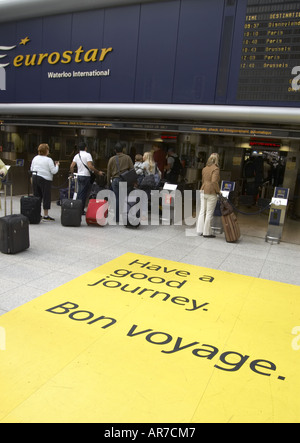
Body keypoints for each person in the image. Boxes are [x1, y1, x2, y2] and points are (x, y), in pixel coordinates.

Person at [70, 142, 104, 215]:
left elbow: (72, 166)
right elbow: (90, 166)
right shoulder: (88, 155)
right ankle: (81, 210)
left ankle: (77, 208)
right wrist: (98, 172)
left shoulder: (77, 155)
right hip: (86, 176)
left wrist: (72, 174)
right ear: (85, 148)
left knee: (79, 193)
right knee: (84, 194)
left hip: (79, 176)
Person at [30, 143, 59, 221]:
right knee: (46, 196)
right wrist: (57, 165)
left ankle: (37, 214)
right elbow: (53, 171)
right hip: (45, 179)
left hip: (35, 177)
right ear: (46, 151)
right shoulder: (48, 160)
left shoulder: (35, 158)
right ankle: (45, 215)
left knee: (37, 196)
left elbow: (32, 168)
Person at [107, 142, 134, 222]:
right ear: (122, 150)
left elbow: (109, 171)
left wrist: (108, 183)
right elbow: (132, 169)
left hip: (115, 180)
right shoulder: (128, 158)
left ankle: (117, 217)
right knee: (124, 198)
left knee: (117, 198)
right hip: (125, 180)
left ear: (115, 150)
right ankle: (126, 216)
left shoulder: (112, 159)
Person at [196, 153, 220, 238]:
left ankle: (199, 230)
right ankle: (206, 232)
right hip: (211, 192)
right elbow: (214, 181)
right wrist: (218, 191)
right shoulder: (216, 169)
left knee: (202, 211)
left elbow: (203, 180)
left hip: (203, 189)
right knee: (209, 213)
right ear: (217, 160)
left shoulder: (204, 168)